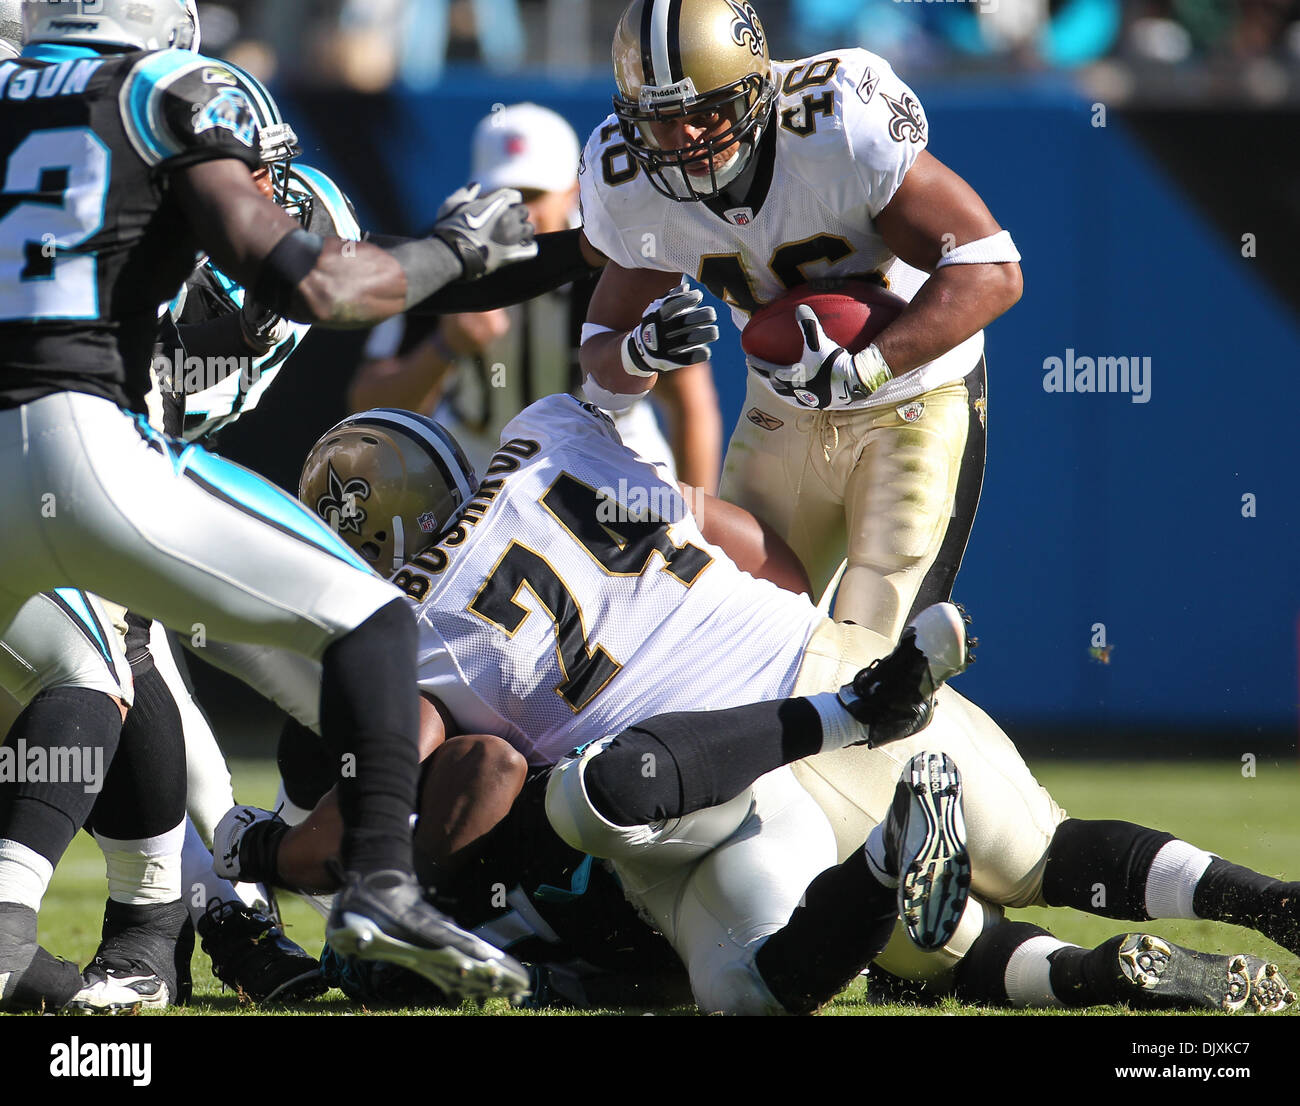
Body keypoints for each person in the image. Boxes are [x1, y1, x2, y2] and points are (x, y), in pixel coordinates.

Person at [225, 397, 1297, 1014]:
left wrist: (257, 851)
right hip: (810, 654)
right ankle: (1266, 900)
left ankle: (1087, 973)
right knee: (1047, 847)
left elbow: (412, 779)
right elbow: (738, 535)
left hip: (698, 790)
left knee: (890, 954)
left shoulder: (404, 633)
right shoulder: (553, 429)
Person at [0, 0, 537, 1011]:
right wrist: (457, 254)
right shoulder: (157, 110)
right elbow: (323, 285)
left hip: (44, 472)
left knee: (101, 668)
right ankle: (293, 901)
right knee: (336, 626)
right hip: (84, 448)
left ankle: (154, 921)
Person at [576, 0, 1022, 639]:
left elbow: (991, 266)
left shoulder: (836, 121)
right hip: (784, 404)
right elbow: (597, 362)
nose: (685, 142)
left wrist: (865, 368)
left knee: (871, 648)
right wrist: (640, 353)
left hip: (914, 396)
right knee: (736, 638)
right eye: (662, 122)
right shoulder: (629, 185)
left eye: (704, 114)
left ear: (755, 91)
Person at [349, 102, 723, 492]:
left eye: (533, 194)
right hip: (479, 462)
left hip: (611, 455)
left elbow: (690, 403)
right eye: (503, 194)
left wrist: (693, 511)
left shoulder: (622, 260)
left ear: (572, 194)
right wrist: (444, 347)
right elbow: (369, 411)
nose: (519, 212)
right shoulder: (436, 259)